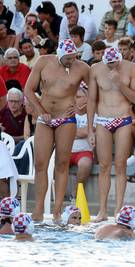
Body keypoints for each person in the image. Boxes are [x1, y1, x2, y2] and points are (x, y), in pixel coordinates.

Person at [24, 39, 90, 222]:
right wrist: (40, 112)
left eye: (74, 58)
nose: (72, 62)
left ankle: (57, 209)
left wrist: (80, 107)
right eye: (68, 58)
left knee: (62, 164)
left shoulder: (82, 68)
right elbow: (28, 90)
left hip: (66, 118)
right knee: (40, 164)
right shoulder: (43, 61)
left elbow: (95, 91)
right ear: (60, 55)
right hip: (45, 118)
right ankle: (38, 209)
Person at [88, 47, 135, 222]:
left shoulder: (131, 68)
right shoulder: (96, 69)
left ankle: (118, 210)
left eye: (115, 63)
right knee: (104, 166)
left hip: (123, 119)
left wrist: (120, 83)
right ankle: (102, 211)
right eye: (109, 64)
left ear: (120, 58)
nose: (112, 67)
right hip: (102, 120)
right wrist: (90, 129)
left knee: (120, 165)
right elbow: (91, 100)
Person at [70, 86, 93, 200]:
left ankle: (76, 193)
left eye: (81, 97)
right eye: (76, 97)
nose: (78, 100)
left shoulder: (93, 115)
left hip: (84, 151)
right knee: (55, 163)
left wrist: (72, 133)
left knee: (85, 164)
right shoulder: (68, 113)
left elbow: (87, 132)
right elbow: (65, 132)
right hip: (66, 150)